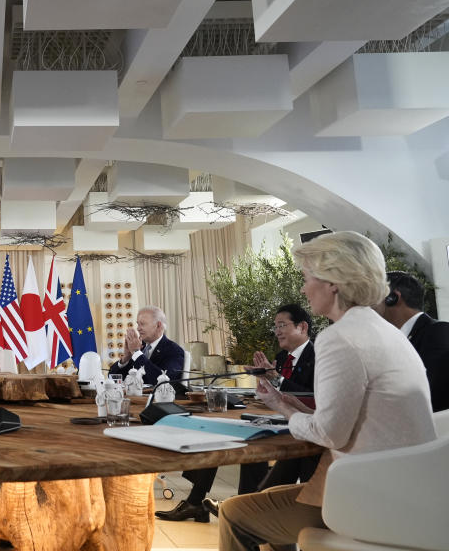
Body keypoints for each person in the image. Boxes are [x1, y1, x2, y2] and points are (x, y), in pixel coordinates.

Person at [218, 232, 436, 551]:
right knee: (265, 500)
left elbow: (330, 434)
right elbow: (361, 418)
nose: (304, 288)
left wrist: (286, 410)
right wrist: (291, 406)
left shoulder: (340, 337)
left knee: (235, 513)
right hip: (412, 490)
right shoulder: (387, 332)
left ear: (332, 282)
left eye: (306, 278)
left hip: (374, 499)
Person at [157, 304, 319, 523]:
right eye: (275, 327)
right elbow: (277, 391)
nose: (277, 331)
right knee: (221, 432)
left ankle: (243, 506)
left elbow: (313, 396)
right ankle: (203, 502)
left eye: (282, 325)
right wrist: (264, 382)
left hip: (302, 423)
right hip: (275, 416)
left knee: (252, 443)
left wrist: (275, 380)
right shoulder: (282, 357)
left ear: (302, 327)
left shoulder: (317, 355)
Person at [378, 271, 449, 411]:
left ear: (392, 298)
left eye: (374, 298)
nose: (369, 306)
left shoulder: (439, 331)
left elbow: (429, 392)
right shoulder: (393, 342)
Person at [107, 305, 184, 385]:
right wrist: (125, 359)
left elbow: (163, 382)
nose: (138, 328)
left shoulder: (174, 351)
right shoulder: (138, 346)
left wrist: (136, 352)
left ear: (158, 325)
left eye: (142, 324)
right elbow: (112, 378)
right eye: (138, 324)